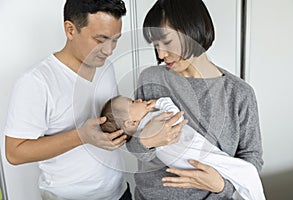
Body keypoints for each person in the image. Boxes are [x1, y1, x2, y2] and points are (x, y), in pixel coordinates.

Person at [126, 0, 264, 199]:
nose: (161, 54)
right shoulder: (150, 79)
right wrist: (145, 142)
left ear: (193, 31)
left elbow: (251, 159)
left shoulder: (239, 94)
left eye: (167, 42)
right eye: (156, 45)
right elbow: (133, 144)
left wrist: (221, 186)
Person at [4, 0, 133, 199]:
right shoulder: (36, 82)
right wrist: (80, 136)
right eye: (101, 40)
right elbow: (14, 153)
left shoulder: (107, 68)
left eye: (115, 40)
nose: (109, 50)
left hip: (118, 192)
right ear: (70, 30)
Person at [101, 96, 265, 200]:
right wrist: (160, 102)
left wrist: (221, 187)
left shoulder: (240, 93)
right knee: (245, 172)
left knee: (241, 173)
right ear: (131, 123)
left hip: (190, 162)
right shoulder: (151, 118)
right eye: (131, 102)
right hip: (193, 155)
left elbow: (252, 154)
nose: (137, 100)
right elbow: (175, 115)